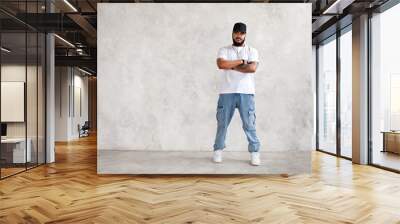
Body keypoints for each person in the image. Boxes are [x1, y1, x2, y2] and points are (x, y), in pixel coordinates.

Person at [212, 22, 261, 166]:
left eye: (241, 33)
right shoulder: (224, 50)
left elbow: (252, 68)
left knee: (249, 124)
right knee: (222, 124)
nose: (238, 36)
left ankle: (255, 153)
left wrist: (231, 65)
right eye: (236, 33)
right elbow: (221, 65)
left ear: (245, 35)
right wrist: (241, 62)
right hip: (227, 92)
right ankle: (218, 150)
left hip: (246, 92)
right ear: (232, 33)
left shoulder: (252, 50)